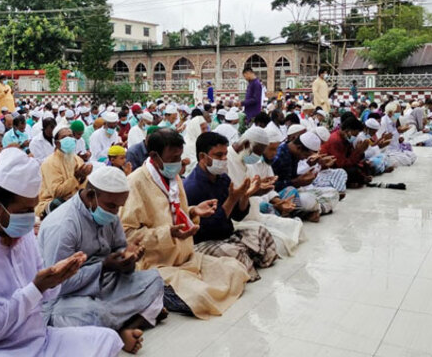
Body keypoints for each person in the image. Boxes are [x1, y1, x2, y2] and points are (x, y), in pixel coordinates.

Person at [0, 148, 124, 356]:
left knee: (108, 340)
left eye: (32, 209)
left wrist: (57, 278)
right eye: (24, 211)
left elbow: (44, 294)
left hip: (33, 338)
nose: (31, 218)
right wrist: (36, 288)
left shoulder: (21, 234)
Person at [119, 128, 249, 318]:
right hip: (157, 263)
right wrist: (169, 233)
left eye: (180, 156)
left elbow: (173, 213)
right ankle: (159, 293)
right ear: (154, 156)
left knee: (236, 270)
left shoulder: (173, 177)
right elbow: (127, 235)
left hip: (185, 256)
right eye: (174, 158)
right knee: (199, 297)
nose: (179, 163)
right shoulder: (135, 183)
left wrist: (194, 211)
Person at [38, 167, 164, 355]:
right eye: (112, 206)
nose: (116, 212)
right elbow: (56, 285)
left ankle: (119, 329)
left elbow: (119, 249)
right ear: (90, 196)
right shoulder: (64, 225)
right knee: (88, 314)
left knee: (154, 280)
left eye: (119, 207)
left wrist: (128, 259)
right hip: (67, 297)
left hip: (104, 283)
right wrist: (103, 267)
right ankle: (127, 324)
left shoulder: (108, 211)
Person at [183, 132, 278, 281]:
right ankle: (245, 264)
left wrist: (245, 196)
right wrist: (233, 199)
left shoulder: (222, 177)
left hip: (226, 235)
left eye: (225, 155)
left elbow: (237, 215)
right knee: (234, 252)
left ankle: (245, 263)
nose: (223, 160)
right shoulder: (192, 187)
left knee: (261, 232)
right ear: (202, 157)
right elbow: (210, 227)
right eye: (218, 155)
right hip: (204, 242)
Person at [226, 127, 304, 256]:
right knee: (278, 243)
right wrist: (255, 191)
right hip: (239, 221)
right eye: (258, 153)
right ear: (246, 144)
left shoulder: (244, 158)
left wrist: (261, 185)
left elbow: (251, 186)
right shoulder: (227, 160)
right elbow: (233, 197)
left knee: (295, 226)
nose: (259, 157)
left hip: (255, 215)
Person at [271, 131, 340, 221]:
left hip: (294, 191)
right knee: (308, 199)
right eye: (306, 155)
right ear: (299, 148)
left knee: (333, 192)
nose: (304, 158)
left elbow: (292, 178)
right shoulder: (278, 156)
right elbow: (272, 187)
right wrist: (296, 182)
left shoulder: (293, 154)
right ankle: (310, 211)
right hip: (280, 196)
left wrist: (304, 178)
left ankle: (313, 210)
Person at [36, 126, 92, 218]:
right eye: (64, 137)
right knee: (58, 204)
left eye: (70, 136)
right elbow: (57, 193)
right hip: (53, 202)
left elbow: (83, 188)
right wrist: (76, 178)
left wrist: (83, 178)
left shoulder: (77, 160)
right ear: (57, 143)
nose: (68, 139)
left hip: (74, 201)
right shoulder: (50, 163)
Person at [319, 116, 371, 188]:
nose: (355, 137)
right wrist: (358, 151)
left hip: (342, 165)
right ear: (348, 130)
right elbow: (341, 164)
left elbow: (350, 156)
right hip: (331, 168)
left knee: (365, 164)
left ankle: (358, 179)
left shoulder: (345, 138)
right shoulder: (336, 140)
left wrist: (360, 152)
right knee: (353, 172)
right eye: (355, 135)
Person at [378, 101, 417, 167]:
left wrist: (400, 136)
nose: (399, 114)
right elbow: (382, 140)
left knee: (413, 156)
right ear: (390, 112)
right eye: (397, 112)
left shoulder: (393, 120)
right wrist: (397, 133)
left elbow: (395, 134)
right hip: (388, 151)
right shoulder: (383, 122)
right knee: (407, 160)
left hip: (396, 149)